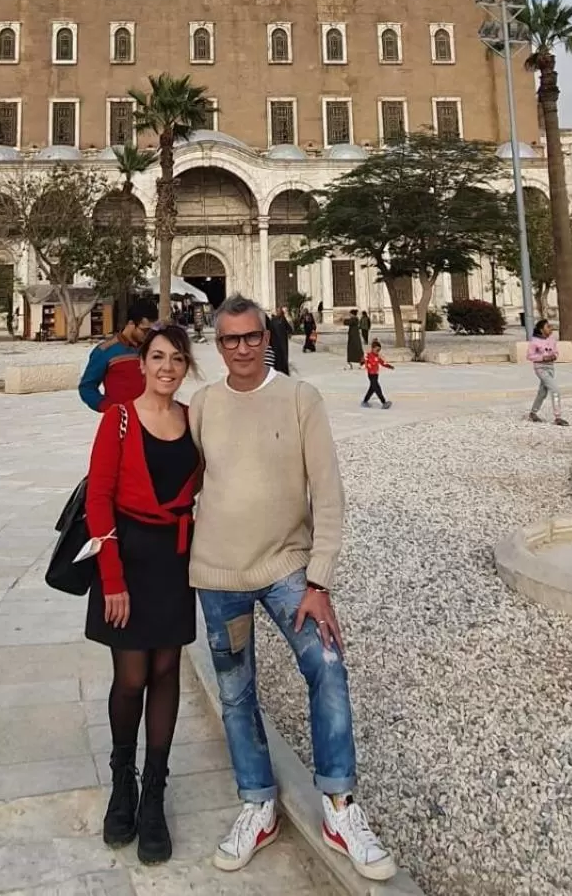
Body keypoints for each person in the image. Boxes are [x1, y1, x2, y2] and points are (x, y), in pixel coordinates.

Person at [189, 295, 396, 882]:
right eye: (230, 340)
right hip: (218, 576)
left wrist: (319, 579)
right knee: (235, 690)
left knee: (327, 665)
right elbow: (182, 486)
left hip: (286, 571)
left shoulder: (301, 399)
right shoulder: (203, 405)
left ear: (266, 336)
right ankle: (257, 801)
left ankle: (339, 807)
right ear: (218, 344)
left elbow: (327, 495)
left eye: (251, 336)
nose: (242, 348)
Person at [86, 323, 201, 866]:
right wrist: (112, 578)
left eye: (177, 359)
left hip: (175, 559)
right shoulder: (120, 418)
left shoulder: (193, 419)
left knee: (166, 671)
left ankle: (154, 793)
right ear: (142, 361)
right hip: (127, 556)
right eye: (158, 357)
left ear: (187, 366)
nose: (166, 368)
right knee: (131, 677)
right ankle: (122, 782)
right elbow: (99, 500)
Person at [78, 295, 159, 411]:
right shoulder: (105, 351)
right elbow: (87, 387)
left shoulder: (152, 348)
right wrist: (107, 407)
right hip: (120, 421)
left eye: (152, 330)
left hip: (152, 417)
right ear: (131, 324)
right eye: (145, 330)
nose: (148, 334)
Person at [527, 320, 568, 426]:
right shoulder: (534, 341)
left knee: (542, 392)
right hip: (540, 368)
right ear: (541, 329)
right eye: (548, 327)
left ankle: (533, 413)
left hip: (550, 367)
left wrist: (554, 355)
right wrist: (543, 357)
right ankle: (558, 417)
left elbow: (555, 351)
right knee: (555, 390)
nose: (550, 329)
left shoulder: (552, 339)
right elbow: (530, 356)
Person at [361, 339, 393, 409]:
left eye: (379, 350)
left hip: (376, 374)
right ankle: (384, 402)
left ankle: (365, 401)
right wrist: (364, 363)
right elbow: (363, 362)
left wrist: (389, 366)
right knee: (377, 388)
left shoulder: (377, 357)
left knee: (372, 389)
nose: (378, 351)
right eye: (377, 349)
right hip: (371, 375)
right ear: (372, 348)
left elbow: (382, 363)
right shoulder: (368, 355)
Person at [268, 305, 292, 376]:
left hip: (283, 342)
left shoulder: (283, 319)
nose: (278, 312)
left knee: (284, 356)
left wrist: (289, 333)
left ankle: (284, 371)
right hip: (275, 342)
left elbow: (289, 328)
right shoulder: (273, 320)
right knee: (276, 357)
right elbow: (269, 330)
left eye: (280, 311)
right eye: (277, 311)